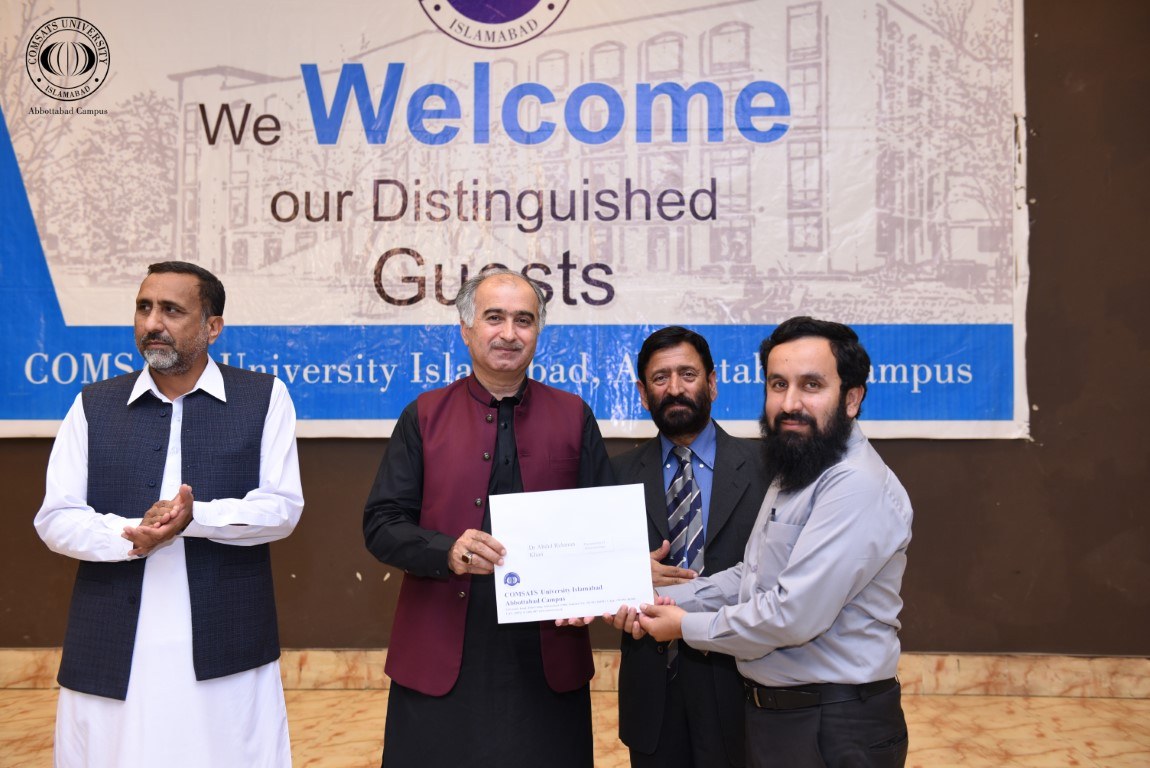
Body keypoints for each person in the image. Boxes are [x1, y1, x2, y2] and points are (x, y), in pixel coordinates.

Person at [34, 261, 304, 767]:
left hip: (226, 639)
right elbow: (56, 517)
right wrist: (130, 534)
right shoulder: (93, 404)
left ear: (212, 326)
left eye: (172, 310)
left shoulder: (263, 398)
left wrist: (194, 519)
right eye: (144, 307)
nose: (152, 322)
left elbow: (282, 508)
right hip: (111, 639)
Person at [362, 267, 614, 768]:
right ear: (466, 329)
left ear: (538, 332)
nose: (509, 333)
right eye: (494, 317)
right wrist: (446, 551)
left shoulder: (574, 415)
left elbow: (603, 523)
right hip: (440, 649)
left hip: (547, 654)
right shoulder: (424, 415)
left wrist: (616, 574)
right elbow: (382, 523)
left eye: (524, 320)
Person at [634, 316, 912, 768]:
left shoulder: (854, 484)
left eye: (811, 385)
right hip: (783, 718)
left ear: (852, 398)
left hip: (834, 723)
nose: (790, 403)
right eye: (778, 384)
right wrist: (649, 598)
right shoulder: (797, 467)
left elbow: (791, 615)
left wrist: (683, 625)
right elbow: (751, 575)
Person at [612, 326, 767, 768]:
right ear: (643, 394)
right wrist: (623, 576)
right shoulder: (615, 475)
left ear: (712, 383)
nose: (675, 388)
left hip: (740, 682)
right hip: (652, 687)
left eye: (688, 374)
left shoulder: (768, 469)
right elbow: (595, 572)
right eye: (660, 378)